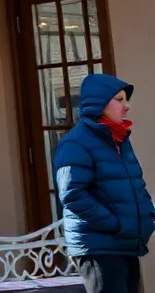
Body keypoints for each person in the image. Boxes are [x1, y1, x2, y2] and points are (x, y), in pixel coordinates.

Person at [55, 73, 155, 293]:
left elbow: (136, 184)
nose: (126, 106)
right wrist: (116, 224)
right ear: (99, 102)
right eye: (119, 100)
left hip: (126, 244)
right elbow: (73, 195)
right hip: (99, 247)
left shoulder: (118, 139)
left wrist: (148, 216)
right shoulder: (75, 143)